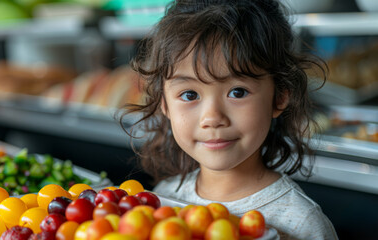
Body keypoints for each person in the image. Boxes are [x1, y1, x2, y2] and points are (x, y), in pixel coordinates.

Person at [120, 0, 338, 239]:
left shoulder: (301, 223)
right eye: (189, 94)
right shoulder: (164, 201)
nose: (212, 118)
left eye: (238, 92)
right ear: (165, 104)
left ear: (279, 97)